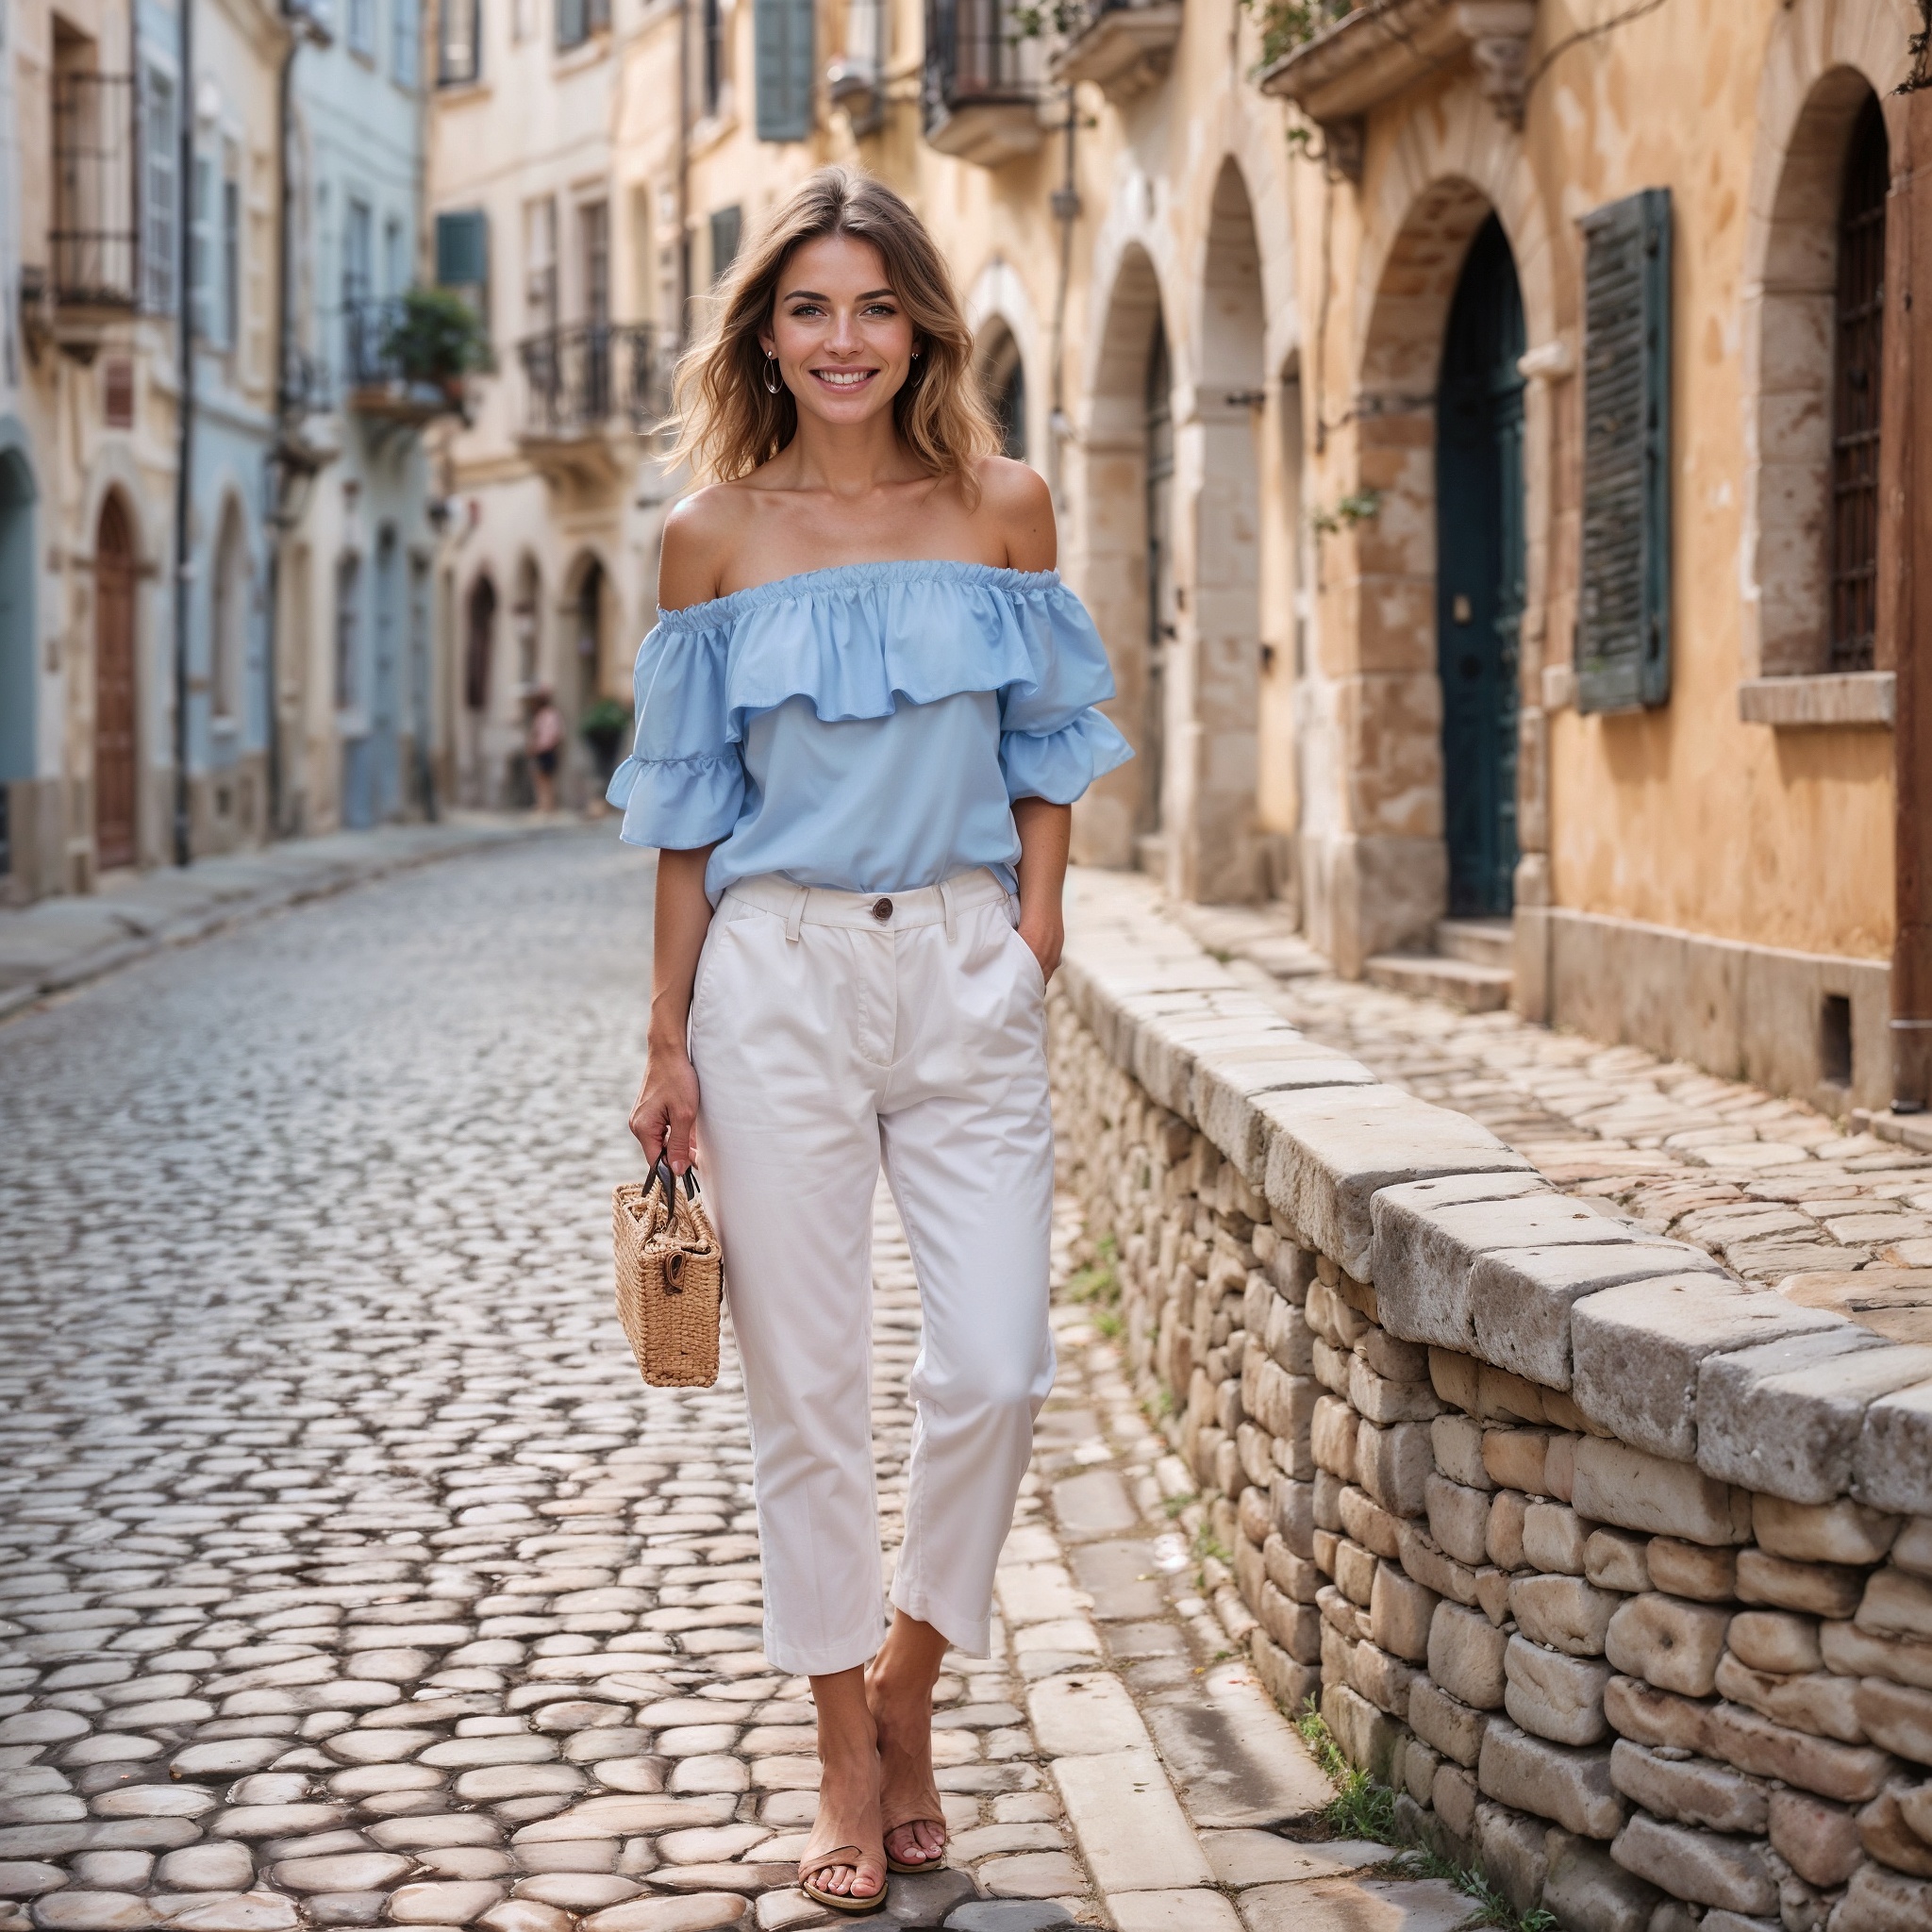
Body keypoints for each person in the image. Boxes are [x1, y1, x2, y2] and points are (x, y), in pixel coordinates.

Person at [610, 167, 1130, 1914]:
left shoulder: (1003, 506)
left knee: (996, 1361)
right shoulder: (709, 535)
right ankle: (844, 1737)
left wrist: (1032, 925)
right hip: (773, 979)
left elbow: (1052, 736)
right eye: (808, 308)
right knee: (805, 1391)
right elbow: (686, 814)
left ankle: (910, 1679)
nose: (843, 340)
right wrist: (666, 1031)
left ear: (921, 321)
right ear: (766, 330)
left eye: (873, 306)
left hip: (962, 961)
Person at [526, 688, 564, 813]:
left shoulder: (547, 715)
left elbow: (550, 735)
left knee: (544, 779)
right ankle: (545, 804)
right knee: (543, 778)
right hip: (545, 749)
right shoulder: (548, 715)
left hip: (545, 750)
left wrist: (537, 748)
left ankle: (547, 805)